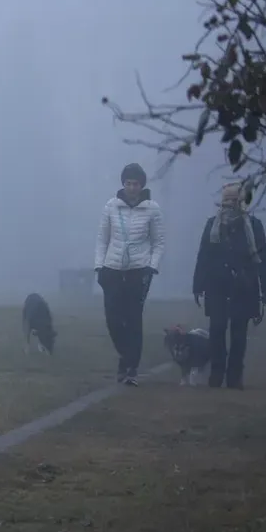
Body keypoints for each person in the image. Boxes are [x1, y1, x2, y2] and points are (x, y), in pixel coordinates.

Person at [193, 182, 266, 389]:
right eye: (226, 200)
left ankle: (235, 376)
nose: (229, 204)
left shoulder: (253, 226)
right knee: (217, 330)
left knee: (239, 334)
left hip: (244, 287)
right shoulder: (213, 225)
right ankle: (217, 374)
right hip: (216, 286)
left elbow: (263, 258)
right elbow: (204, 256)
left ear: (242, 202)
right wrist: (197, 285)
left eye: (234, 200)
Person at [94, 162, 166, 386]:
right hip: (112, 269)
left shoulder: (152, 209)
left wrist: (151, 267)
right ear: (123, 184)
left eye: (135, 184)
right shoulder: (111, 206)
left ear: (141, 185)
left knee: (133, 320)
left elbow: (159, 242)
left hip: (138, 272)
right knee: (113, 320)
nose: (131, 188)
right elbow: (102, 239)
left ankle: (130, 368)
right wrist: (99, 266)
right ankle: (126, 356)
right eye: (128, 183)